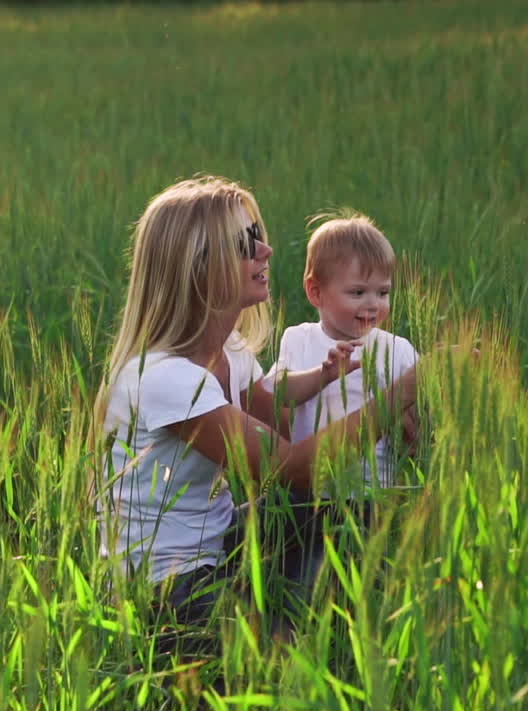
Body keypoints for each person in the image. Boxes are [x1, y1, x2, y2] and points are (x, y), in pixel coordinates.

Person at [94, 177, 418, 642]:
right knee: (288, 665)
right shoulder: (166, 378)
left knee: (355, 513)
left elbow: (280, 424)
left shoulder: (230, 351)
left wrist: (365, 384)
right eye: (247, 243)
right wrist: (404, 391)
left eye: (259, 236)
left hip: (223, 544)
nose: (266, 250)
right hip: (163, 584)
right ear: (200, 264)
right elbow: (293, 469)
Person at [269, 211, 418, 493]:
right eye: (358, 293)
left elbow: (422, 416)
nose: (373, 304)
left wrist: (414, 426)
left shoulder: (398, 349)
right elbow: (279, 392)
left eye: (383, 292)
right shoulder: (299, 339)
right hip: (311, 493)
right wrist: (322, 375)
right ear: (316, 293)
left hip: (374, 493)